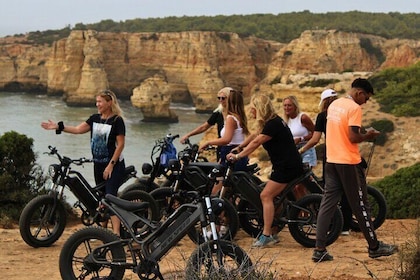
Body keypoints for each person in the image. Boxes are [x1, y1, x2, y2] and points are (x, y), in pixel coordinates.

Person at [312, 78, 397, 262]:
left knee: (327, 204)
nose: (366, 101)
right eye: (366, 97)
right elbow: (352, 136)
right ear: (359, 93)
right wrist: (368, 135)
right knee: (361, 204)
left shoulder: (334, 105)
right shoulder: (354, 108)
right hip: (348, 162)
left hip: (331, 160)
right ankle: (374, 246)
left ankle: (319, 249)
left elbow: (340, 131)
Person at [41, 89, 126, 235]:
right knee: (101, 198)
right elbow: (78, 129)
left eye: (100, 101)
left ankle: (117, 234)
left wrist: (111, 165)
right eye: (97, 101)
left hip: (114, 165)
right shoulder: (94, 119)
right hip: (98, 164)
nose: (97, 104)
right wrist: (59, 127)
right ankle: (103, 231)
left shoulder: (117, 121)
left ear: (109, 102)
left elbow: (121, 144)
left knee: (110, 198)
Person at [227, 94, 303, 248]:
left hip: (286, 167)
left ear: (259, 109)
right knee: (275, 196)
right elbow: (255, 135)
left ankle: (267, 235)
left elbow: (257, 141)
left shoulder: (272, 124)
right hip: (286, 164)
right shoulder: (273, 121)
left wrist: (238, 156)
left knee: (266, 195)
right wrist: (240, 147)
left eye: (253, 110)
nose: (251, 113)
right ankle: (274, 230)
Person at [299, 89, 353, 236]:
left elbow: (315, 139)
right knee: (346, 190)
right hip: (347, 154)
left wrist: (301, 150)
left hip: (331, 156)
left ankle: (331, 223)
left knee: (330, 190)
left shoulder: (323, 116)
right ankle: (346, 226)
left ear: (323, 102)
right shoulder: (344, 113)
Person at [199, 89, 249, 194]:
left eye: (225, 98)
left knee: (217, 192)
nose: (222, 101)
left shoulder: (231, 118)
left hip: (230, 154)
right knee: (228, 190)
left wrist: (208, 142)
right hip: (235, 154)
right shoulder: (239, 116)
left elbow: (227, 139)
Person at [180, 87, 232, 160]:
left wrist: (209, 142)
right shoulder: (218, 112)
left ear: (230, 98)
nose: (220, 100)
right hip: (221, 148)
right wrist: (188, 135)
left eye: (223, 98)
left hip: (233, 148)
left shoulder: (234, 115)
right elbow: (204, 127)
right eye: (219, 98)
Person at [283, 95, 316, 198]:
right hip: (294, 153)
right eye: (285, 105)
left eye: (289, 105)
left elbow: (315, 133)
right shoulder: (286, 121)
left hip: (306, 151)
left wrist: (301, 138)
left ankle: (310, 208)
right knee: (294, 186)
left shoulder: (303, 118)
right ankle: (302, 210)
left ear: (295, 106)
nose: (287, 108)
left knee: (301, 185)